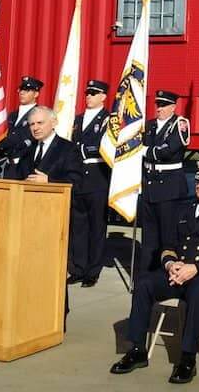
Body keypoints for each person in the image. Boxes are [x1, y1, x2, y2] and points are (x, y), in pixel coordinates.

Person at [110, 161, 199, 383]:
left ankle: (187, 358)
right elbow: (168, 246)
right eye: (197, 180)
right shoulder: (185, 211)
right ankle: (137, 350)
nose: (198, 184)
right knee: (144, 283)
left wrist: (195, 268)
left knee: (198, 290)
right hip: (179, 270)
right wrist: (171, 264)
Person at [139, 90, 190, 272]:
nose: (159, 108)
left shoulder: (180, 124)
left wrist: (145, 151)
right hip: (150, 184)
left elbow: (167, 151)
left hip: (169, 187)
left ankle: (166, 271)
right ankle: (146, 273)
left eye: (163, 105)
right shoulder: (149, 125)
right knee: (149, 235)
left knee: (168, 235)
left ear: (173, 107)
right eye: (158, 104)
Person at [69, 79, 110, 287]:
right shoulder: (78, 119)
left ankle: (92, 271)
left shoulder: (109, 119)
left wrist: (84, 149)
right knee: (78, 226)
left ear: (103, 96)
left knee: (96, 226)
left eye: (93, 93)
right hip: (78, 177)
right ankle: (77, 268)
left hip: (97, 176)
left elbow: (105, 146)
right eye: (87, 93)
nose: (89, 96)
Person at [10, 105, 83, 186]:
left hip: (55, 197)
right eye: (32, 124)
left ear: (54, 123)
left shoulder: (68, 148)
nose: (35, 128)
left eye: (40, 123)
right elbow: (18, 177)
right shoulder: (27, 149)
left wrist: (49, 180)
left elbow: (76, 181)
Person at [0, 76, 43, 163]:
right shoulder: (13, 115)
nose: (22, 93)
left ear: (36, 94)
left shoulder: (39, 114)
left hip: (24, 162)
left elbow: (32, 140)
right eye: (21, 89)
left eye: (27, 90)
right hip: (5, 161)